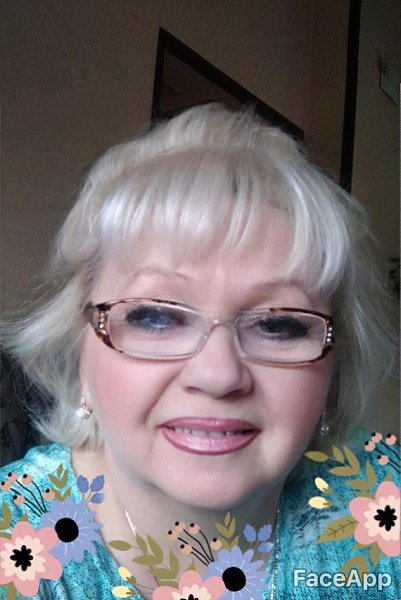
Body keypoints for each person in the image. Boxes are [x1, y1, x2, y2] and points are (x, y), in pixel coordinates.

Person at [0, 104, 399, 599]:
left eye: (277, 324)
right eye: (155, 317)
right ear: (78, 347)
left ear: (334, 366)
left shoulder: (385, 498)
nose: (218, 374)